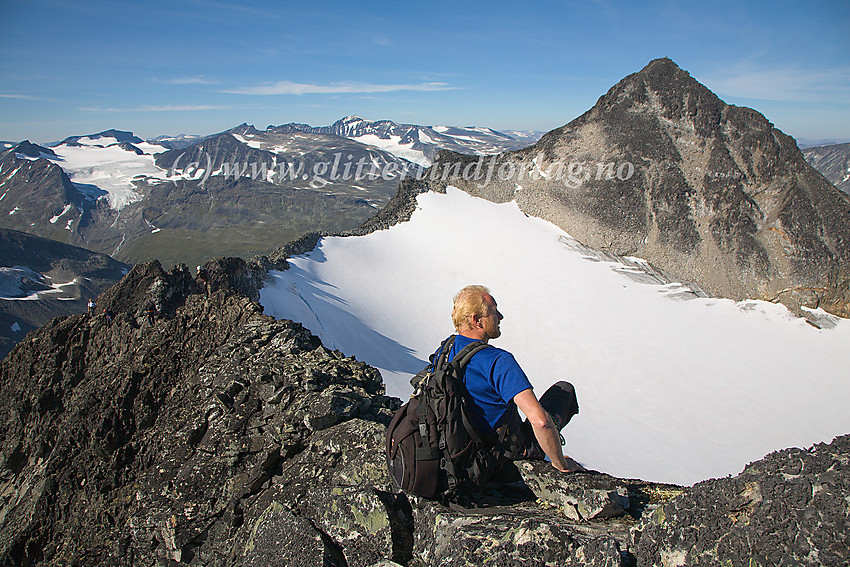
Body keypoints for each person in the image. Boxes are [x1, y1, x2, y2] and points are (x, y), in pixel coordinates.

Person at [439, 284, 584, 474]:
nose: (500, 317)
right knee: (564, 392)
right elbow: (540, 421)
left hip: (457, 449)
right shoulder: (497, 360)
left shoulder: (444, 350)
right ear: (477, 320)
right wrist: (562, 466)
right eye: (494, 311)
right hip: (499, 455)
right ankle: (547, 455)